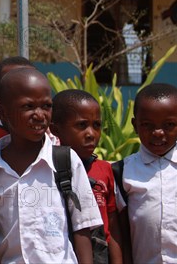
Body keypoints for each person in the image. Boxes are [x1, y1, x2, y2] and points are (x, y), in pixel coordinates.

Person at [0, 68, 102, 263]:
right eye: (28, 107)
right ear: (3, 113)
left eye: (46, 106)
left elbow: (82, 226)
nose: (40, 115)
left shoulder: (65, 161)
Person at [51, 89, 123, 264]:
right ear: (55, 129)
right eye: (81, 125)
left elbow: (112, 228)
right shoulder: (48, 168)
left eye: (96, 125)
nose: (91, 133)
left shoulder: (105, 170)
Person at [115, 83, 177, 264]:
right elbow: (121, 233)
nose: (158, 132)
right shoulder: (123, 172)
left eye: (169, 125)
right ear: (135, 125)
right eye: (147, 125)